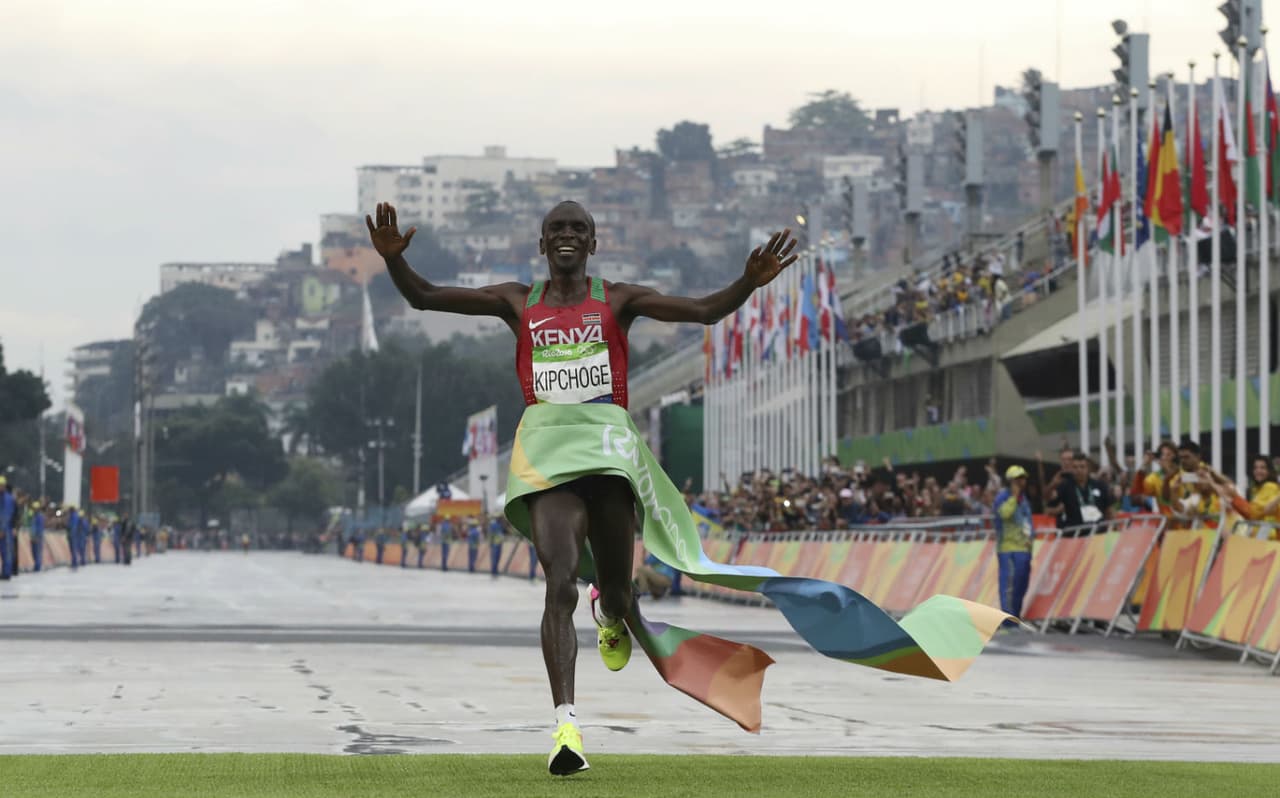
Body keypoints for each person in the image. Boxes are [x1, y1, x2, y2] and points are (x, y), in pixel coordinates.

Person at [370, 200, 798, 775]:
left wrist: (747, 282)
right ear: (541, 243)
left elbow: (701, 311)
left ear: (592, 245)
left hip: (608, 455)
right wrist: (396, 262)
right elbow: (425, 296)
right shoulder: (516, 302)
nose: (567, 236)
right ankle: (565, 727)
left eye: (579, 229)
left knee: (617, 594)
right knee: (559, 582)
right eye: (557, 230)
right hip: (548, 457)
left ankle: (613, 608)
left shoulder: (617, 299)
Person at [993, 466, 1034, 620]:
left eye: (1023, 478)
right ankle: (1008, 620)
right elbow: (1004, 514)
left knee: (1022, 584)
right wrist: (1013, 498)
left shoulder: (1024, 499)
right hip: (1007, 549)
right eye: (1018, 479)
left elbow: (1028, 522)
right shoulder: (1002, 497)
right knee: (1009, 585)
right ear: (1010, 481)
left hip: (1024, 549)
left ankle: (1015, 616)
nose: (1022, 482)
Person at [1045, 450, 1110, 534]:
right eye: (1075, 467)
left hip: (1098, 536)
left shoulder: (1099, 485)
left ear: (1088, 468)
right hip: (1075, 537)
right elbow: (1048, 498)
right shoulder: (1065, 486)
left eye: (1082, 467)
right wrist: (1052, 485)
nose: (1079, 470)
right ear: (1072, 468)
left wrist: (1111, 529)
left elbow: (1109, 510)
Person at [0, 476, 15, 579]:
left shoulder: (9, 499)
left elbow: (7, 514)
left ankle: (6, 572)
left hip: (6, 530)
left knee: (7, 552)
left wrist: (2, 529)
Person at [29, 501, 45, 572]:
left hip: (38, 537)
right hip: (33, 537)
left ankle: (38, 566)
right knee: (33, 552)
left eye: (36, 508)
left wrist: (37, 537)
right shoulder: (33, 516)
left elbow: (40, 528)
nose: (35, 509)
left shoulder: (40, 517)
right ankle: (36, 565)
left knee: (38, 552)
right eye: (34, 508)